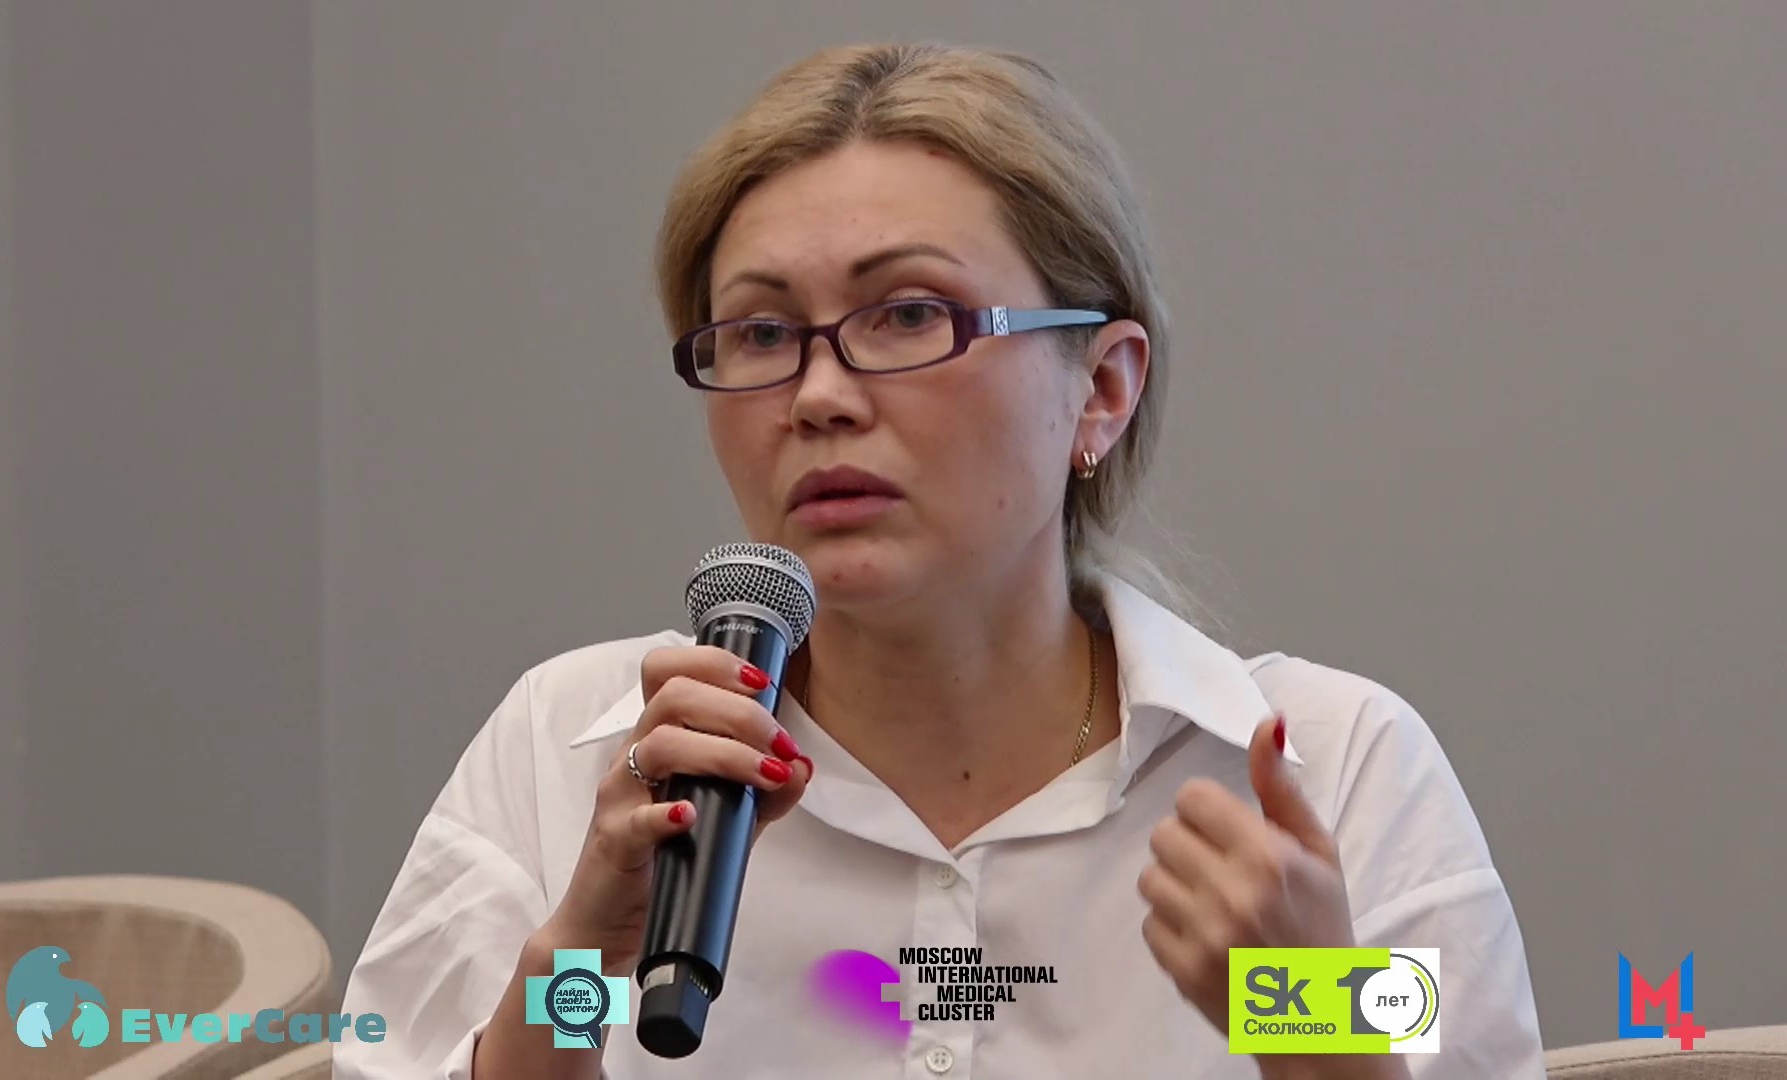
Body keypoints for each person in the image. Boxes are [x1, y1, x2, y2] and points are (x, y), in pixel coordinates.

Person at [337, 42, 1544, 1080]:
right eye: (760, 332)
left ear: (1102, 388)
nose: (818, 395)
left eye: (909, 314)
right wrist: (582, 963)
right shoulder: (576, 758)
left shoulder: (1326, 775)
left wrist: (1310, 1023)